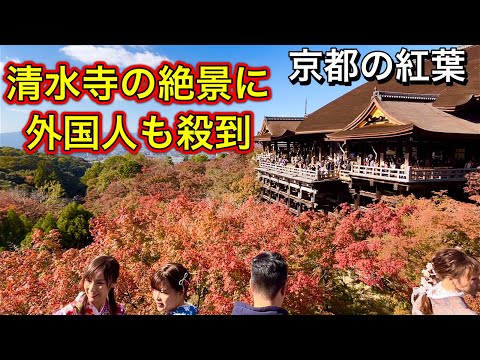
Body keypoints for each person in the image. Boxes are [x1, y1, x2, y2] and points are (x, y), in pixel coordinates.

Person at [411, 248, 480, 315]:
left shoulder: (425, 299)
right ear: (451, 278)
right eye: (473, 279)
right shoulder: (462, 311)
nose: (478, 282)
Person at [54, 255, 126, 315]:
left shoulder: (118, 310)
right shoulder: (70, 312)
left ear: (113, 283)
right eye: (89, 280)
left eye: (99, 283)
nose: (91, 289)